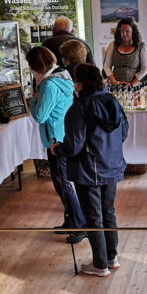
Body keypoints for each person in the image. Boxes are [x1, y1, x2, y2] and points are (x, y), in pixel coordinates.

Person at [52, 64, 129, 277]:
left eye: (75, 81)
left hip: (88, 170)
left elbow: (74, 145)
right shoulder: (112, 101)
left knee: (94, 217)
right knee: (108, 212)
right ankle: (112, 257)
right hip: (112, 165)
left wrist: (58, 148)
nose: (73, 85)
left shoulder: (80, 107)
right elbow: (124, 132)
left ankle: (100, 264)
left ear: (81, 84)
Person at [26, 46, 86, 245]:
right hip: (62, 134)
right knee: (63, 182)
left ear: (37, 66)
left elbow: (39, 115)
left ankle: (80, 224)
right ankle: (71, 219)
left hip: (55, 140)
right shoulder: (63, 76)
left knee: (63, 183)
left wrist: (32, 101)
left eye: (31, 67)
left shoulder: (49, 85)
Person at [103, 18, 147, 86]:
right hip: (116, 87)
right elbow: (106, 66)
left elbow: (145, 69)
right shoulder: (113, 45)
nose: (124, 34)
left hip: (135, 87)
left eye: (127, 31)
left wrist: (131, 85)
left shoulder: (141, 46)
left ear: (133, 32)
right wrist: (115, 82)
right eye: (122, 31)